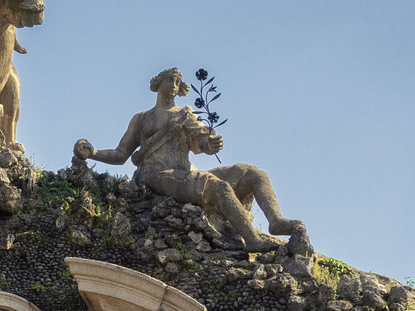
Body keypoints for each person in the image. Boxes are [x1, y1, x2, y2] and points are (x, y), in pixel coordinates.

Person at [73, 68, 301, 252]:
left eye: (177, 81)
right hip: (155, 175)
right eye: (170, 80)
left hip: (183, 171)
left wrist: (210, 145)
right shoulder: (142, 118)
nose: (173, 85)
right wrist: (92, 153)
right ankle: (252, 239)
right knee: (218, 186)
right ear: (158, 83)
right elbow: (121, 154)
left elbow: (200, 143)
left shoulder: (186, 115)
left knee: (253, 173)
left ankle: (276, 221)